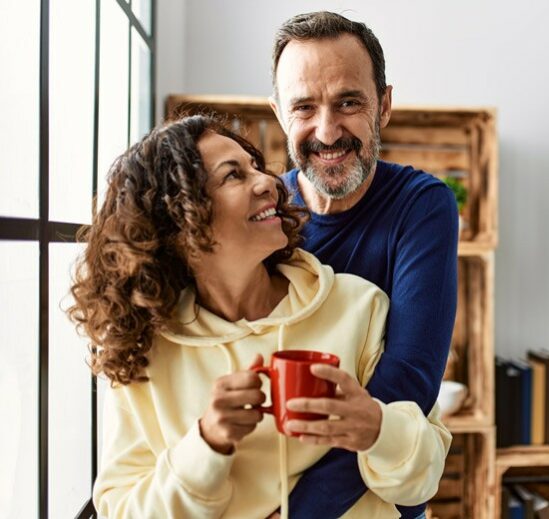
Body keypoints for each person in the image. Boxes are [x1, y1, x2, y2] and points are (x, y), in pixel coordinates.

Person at [68, 115, 450, 518]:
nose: (269, 182)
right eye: (233, 176)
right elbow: (120, 510)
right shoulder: (147, 354)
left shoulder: (356, 305)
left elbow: (423, 482)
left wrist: (377, 429)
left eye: (254, 166)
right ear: (180, 218)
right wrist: (205, 444)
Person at [268, 11, 459, 519]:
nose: (327, 131)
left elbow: (407, 384)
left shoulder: (423, 206)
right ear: (279, 114)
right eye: (304, 107)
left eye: (348, 102)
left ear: (385, 105)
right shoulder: (260, 212)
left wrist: (296, 514)